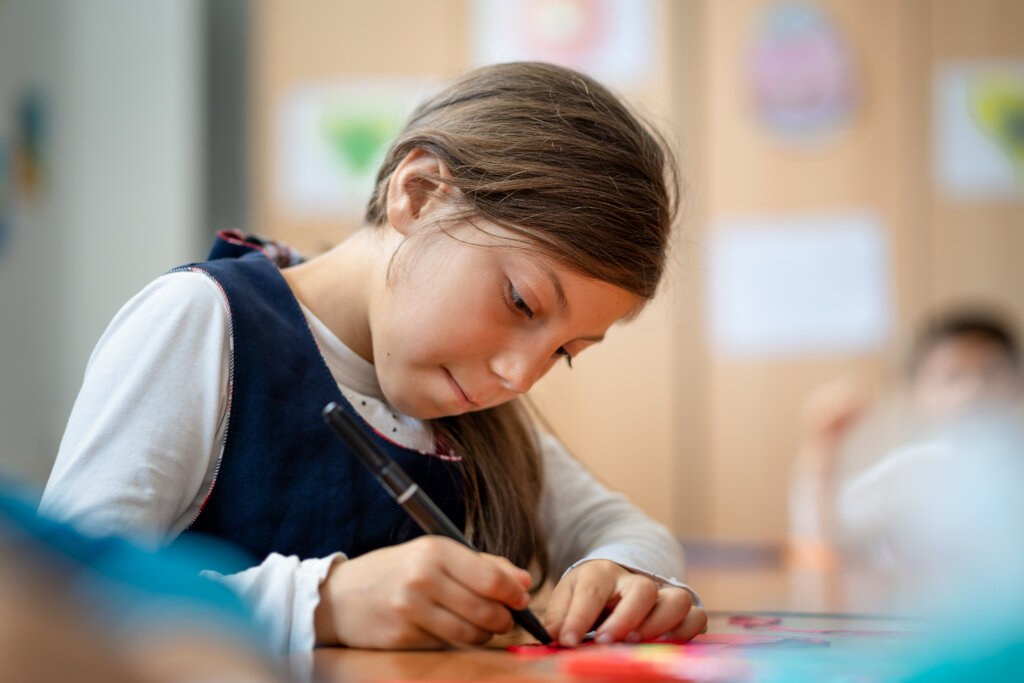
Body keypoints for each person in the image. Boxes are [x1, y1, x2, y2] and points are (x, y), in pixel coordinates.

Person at [40, 62, 706, 652]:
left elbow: (612, 523)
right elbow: (59, 592)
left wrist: (628, 571)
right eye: (521, 303)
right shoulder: (204, 319)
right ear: (417, 193)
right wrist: (322, 601)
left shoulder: (470, 398)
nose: (519, 375)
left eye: (564, 352)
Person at [787, 308, 1024, 570]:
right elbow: (829, 538)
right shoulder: (910, 472)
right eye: (951, 377)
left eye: (990, 373)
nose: (972, 390)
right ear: (920, 392)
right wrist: (824, 448)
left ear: (1018, 381)